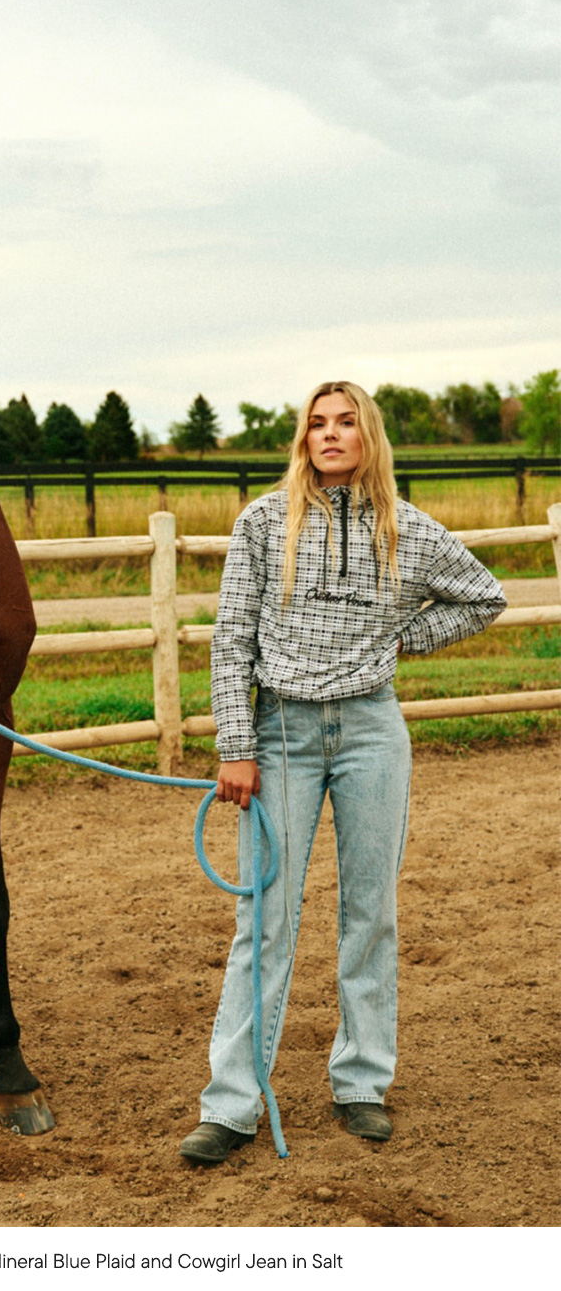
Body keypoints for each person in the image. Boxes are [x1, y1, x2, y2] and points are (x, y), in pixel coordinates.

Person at [180, 381, 506, 1164]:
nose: (331, 434)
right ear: (303, 439)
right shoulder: (263, 523)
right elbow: (232, 641)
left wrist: (404, 642)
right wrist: (236, 743)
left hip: (371, 731)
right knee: (266, 918)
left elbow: (484, 597)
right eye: (317, 424)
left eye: (345, 421)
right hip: (282, 730)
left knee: (372, 908)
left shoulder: (411, 531)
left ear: (368, 436)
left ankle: (361, 1080)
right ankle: (231, 1101)